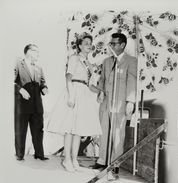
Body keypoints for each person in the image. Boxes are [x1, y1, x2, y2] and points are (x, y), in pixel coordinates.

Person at [47, 34, 102, 172]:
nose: (89, 45)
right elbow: (68, 77)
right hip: (74, 91)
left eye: (90, 43)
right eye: (86, 43)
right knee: (69, 129)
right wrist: (71, 96)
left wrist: (101, 91)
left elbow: (90, 85)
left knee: (79, 130)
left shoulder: (89, 63)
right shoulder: (74, 58)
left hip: (84, 94)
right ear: (79, 46)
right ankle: (66, 160)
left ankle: (74, 158)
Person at [94, 33, 137, 171]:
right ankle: (102, 160)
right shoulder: (107, 61)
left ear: (122, 45)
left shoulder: (131, 61)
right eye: (110, 43)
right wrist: (100, 91)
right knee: (104, 131)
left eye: (113, 43)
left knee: (118, 134)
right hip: (106, 102)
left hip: (120, 104)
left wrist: (130, 101)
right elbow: (103, 80)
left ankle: (115, 163)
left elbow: (132, 81)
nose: (110, 46)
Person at [14, 44, 49, 161]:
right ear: (29, 52)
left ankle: (39, 154)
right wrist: (20, 89)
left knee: (38, 130)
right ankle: (19, 155)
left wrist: (44, 88)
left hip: (37, 104)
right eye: (36, 52)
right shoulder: (18, 64)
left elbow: (43, 82)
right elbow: (10, 80)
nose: (38, 54)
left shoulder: (39, 68)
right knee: (20, 130)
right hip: (22, 104)